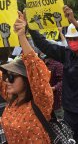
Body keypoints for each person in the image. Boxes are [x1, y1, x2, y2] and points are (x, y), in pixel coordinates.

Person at [28, 6, 78, 144]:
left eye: (76, 39)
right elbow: (45, 45)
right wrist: (30, 27)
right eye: (70, 39)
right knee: (69, 141)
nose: (72, 42)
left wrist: (73, 20)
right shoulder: (66, 54)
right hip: (69, 111)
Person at [0, 12, 53, 143]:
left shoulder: (41, 102)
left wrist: (22, 36)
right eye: (6, 75)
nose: (6, 80)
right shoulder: (11, 97)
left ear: (27, 79)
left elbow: (35, 68)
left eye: (12, 76)